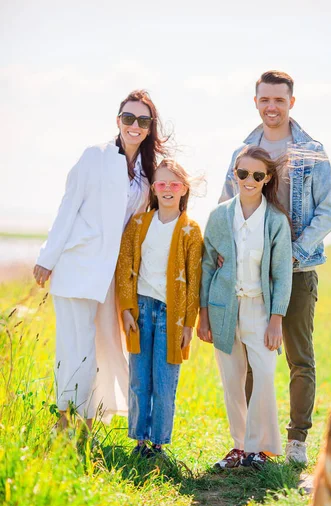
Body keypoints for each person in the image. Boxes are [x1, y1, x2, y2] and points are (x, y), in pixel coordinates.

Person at [219, 71, 331, 464]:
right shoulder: (243, 150)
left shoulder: (311, 149)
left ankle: (296, 440)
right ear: (256, 101)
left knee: (299, 357)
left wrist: (294, 252)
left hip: (299, 271)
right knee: (256, 354)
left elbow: (329, 211)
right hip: (251, 272)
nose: (272, 107)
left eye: (280, 100)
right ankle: (257, 440)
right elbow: (227, 205)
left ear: (291, 102)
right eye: (265, 100)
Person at [33, 89, 167, 429]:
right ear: (118, 121)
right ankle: (64, 422)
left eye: (142, 120)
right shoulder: (95, 156)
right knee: (75, 347)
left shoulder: (147, 174)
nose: (134, 126)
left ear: (150, 127)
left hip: (111, 276)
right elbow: (69, 206)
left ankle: (90, 423)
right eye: (128, 118)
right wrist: (47, 257)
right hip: (77, 267)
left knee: (107, 347)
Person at [198, 145, 292, 468]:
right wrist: (203, 315)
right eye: (242, 173)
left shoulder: (276, 221)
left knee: (264, 374)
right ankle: (239, 447)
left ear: (266, 179)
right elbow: (208, 266)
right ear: (234, 175)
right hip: (223, 309)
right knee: (231, 379)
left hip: (260, 310)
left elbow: (281, 274)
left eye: (256, 175)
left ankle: (259, 448)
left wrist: (276, 319)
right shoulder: (220, 216)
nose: (248, 180)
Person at [116, 159, 203, 457]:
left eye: (174, 184)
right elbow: (125, 267)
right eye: (162, 183)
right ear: (153, 188)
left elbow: (194, 282)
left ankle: (158, 443)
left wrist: (189, 325)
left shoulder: (191, 231)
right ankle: (139, 440)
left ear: (184, 189)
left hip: (172, 315)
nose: (168, 189)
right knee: (140, 379)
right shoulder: (139, 224)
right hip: (140, 309)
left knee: (164, 383)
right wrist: (126, 308)